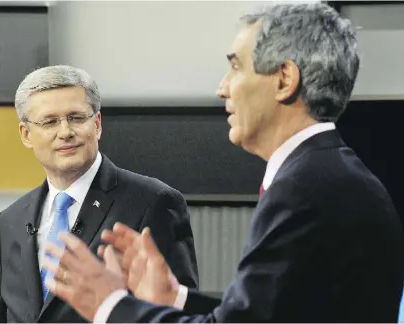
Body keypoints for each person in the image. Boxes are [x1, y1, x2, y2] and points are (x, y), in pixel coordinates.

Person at [42, 3, 404, 322]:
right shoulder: (331, 177)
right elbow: (264, 315)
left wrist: (109, 306)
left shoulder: (307, 190)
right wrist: (173, 299)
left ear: (284, 79)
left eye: (235, 67)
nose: (222, 87)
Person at [0, 65, 199, 323]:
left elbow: (179, 315)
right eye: (50, 122)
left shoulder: (153, 202)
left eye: (77, 118)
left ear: (97, 124)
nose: (65, 132)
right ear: (26, 135)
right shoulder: (9, 221)